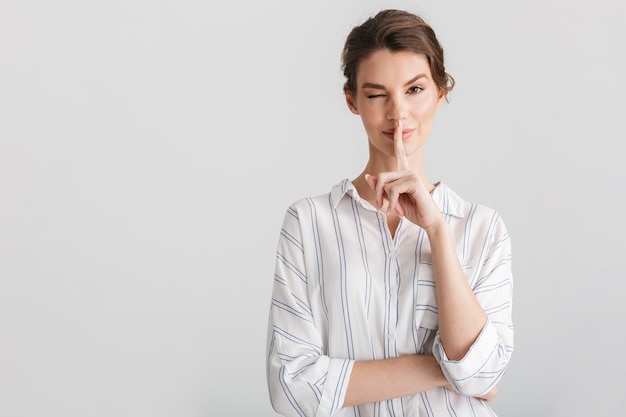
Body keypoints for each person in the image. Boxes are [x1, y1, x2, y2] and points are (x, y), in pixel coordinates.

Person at [266, 9, 513, 417]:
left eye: (415, 89)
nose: (398, 114)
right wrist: (446, 369)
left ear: (441, 92)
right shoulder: (308, 224)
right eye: (377, 94)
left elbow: (482, 377)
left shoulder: (483, 229)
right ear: (352, 101)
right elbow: (292, 387)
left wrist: (436, 228)